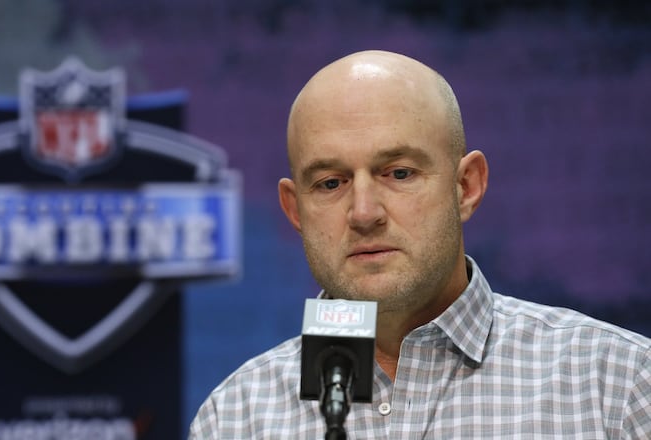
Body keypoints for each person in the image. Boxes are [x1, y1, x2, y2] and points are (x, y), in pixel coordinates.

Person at [188, 50, 651, 438]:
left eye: (399, 173)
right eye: (331, 183)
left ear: (466, 186)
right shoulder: (235, 418)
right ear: (295, 211)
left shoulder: (616, 388)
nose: (364, 212)